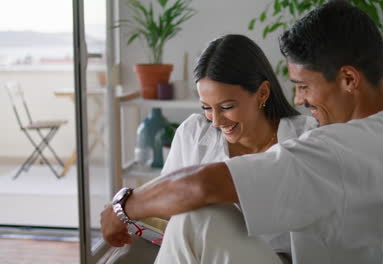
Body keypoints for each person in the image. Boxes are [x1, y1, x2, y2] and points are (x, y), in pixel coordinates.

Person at [101, 2, 383, 264]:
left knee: (201, 218)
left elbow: (203, 186)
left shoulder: (338, 149)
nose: (298, 98)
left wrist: (123, 206)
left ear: (349, 79)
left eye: (303, 86)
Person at [102, 34, 316, 263]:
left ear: (262, 93)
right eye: (207, 107)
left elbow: (197, 191)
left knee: (201, 212)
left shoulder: (304, 138)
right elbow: (165, 210)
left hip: (276, 258)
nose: (216, 121)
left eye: (226, 106)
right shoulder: (193, 133)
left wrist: (123, 205)